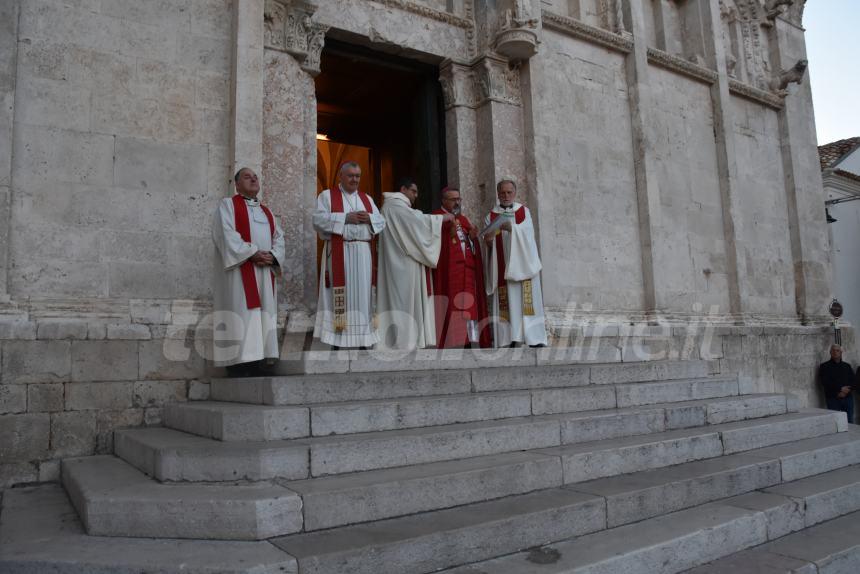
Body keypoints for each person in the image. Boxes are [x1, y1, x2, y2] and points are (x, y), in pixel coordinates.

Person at [212, 167, 285, 376]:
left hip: (264, 272)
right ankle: (238, 366)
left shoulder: (266, 211)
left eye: (255, 176)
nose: (253, 179)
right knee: (241, 314)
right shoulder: (228, 206)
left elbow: (279, 237)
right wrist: (252, 253)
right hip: (241, 272)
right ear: (236, 184)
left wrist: (273, 255)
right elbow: (226, 235)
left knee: (262, 317)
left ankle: (258, 362)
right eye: (247, 176)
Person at [312, 161, 385, 349]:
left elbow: (381, 221)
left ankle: (362, 340)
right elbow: (317, 220)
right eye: (351, 175)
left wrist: (369, 218)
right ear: (341, 176)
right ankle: (338, 341)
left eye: (358, 176)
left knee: (363, 297)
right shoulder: (327, 196)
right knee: (339, 296)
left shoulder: (367, 199)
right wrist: (345, 218)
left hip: (362, 254)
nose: (355, 179)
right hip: (340, 252)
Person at [377, 177, 452, 350]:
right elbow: (417, 222)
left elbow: (415, 219)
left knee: (406, 301)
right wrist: (440, 219)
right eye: (414, 191)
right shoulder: (394, 206)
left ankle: (408, 339)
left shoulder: (395, 207)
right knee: (404, 301)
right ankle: (404, 341)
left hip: (404, 261)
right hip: (402, 264)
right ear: (403, 189)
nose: (416, 195)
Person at [482, 179, 548, 348]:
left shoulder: (523, 211)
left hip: (523, 265)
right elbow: (488, 241)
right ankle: (510, 339)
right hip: (503, 267)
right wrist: (488, 242)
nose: (506, 196)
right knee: (507, 304)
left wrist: (512, 228)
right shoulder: (491, 215)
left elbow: (528, 233)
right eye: (502, 192)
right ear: (498, 194)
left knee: (527, 304)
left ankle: (534, 338)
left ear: (515, 193)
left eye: (509, 192)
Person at [432, 187, 492, 348]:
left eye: (459, 199)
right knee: (454, 304)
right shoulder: (437, 217)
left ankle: (468, 341)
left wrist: (472, 239)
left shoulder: (464, 219)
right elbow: (436, 243)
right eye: (453, 199)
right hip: (450, 272)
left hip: (468, 270)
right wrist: (449, 232)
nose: (457, 202)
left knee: (469, 306)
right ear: (444, 201)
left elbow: (468, 243)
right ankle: (453, 340)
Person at [819, 344, 854, 424]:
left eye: (837, 350)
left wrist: (846, 391)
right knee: (835, 423)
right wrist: (840, 389)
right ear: (830, 353)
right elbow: (825, 382)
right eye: (833, 350)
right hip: (833, 398)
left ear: (841, 352)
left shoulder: (847, 366)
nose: (835, 352)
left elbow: (853, 381)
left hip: (847, 398)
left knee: (850, 422)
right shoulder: (824, 366)